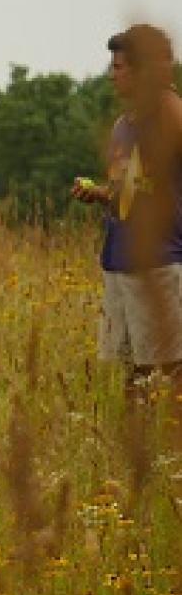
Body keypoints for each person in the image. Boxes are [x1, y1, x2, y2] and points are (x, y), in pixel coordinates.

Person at [70, 23, 182, 381]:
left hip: (161, 261)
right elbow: (127, 191)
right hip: (119, 259)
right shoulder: (123, 125)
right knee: (131, 372)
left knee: (167, 371)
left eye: (118, 67)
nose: (111, 75)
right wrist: (100, 193)